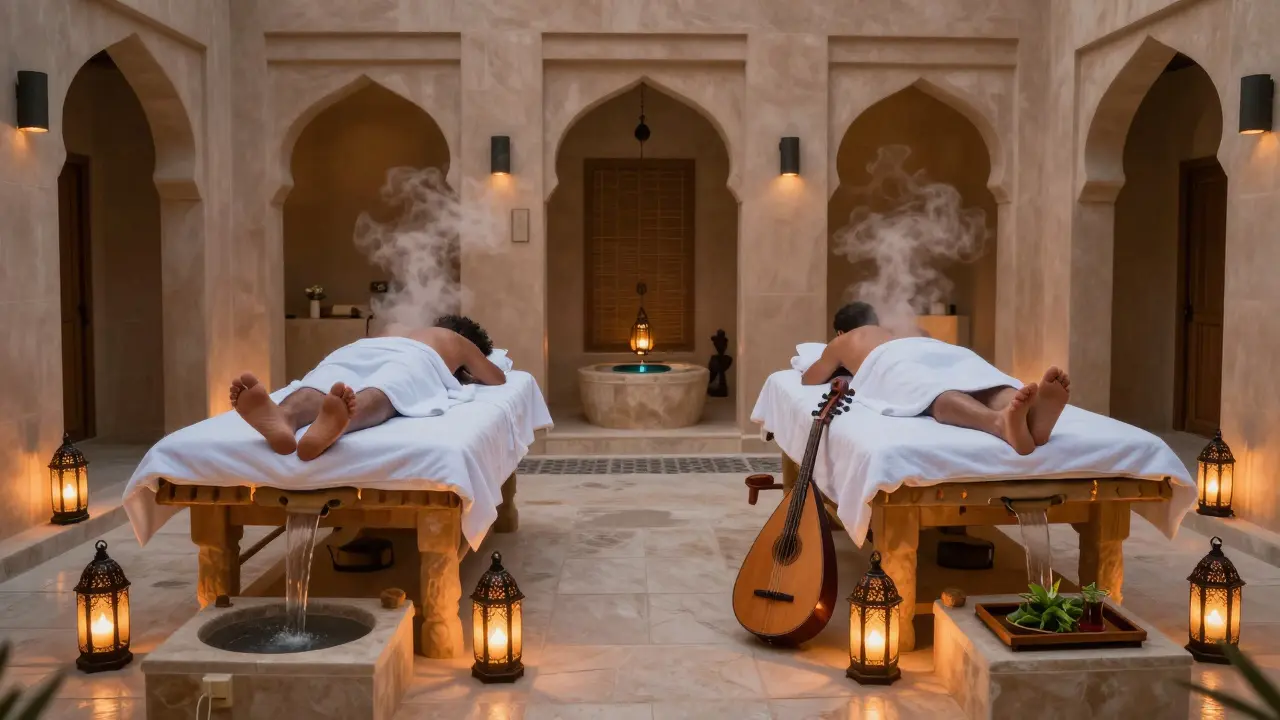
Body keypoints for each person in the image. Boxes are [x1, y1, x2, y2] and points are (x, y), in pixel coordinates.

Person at [802, 302, 1069, 455]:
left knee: (935, 394)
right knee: (979, 383)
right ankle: (1029, 415)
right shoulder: (904, 330)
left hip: (893, 360)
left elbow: (810, 379)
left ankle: (998, 423)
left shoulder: (846, 341)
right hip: (942, 351)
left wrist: (837, 357)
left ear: (840, 331)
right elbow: (930, 346)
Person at [230, 314, 507, 461]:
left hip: (359, 349)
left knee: (323, 381)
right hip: (415, 358)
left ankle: (284, 416)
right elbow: (496, 377)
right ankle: (343, 419)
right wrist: (469, 367)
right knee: (385, 390)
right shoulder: (453, 340)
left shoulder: (396, 327)